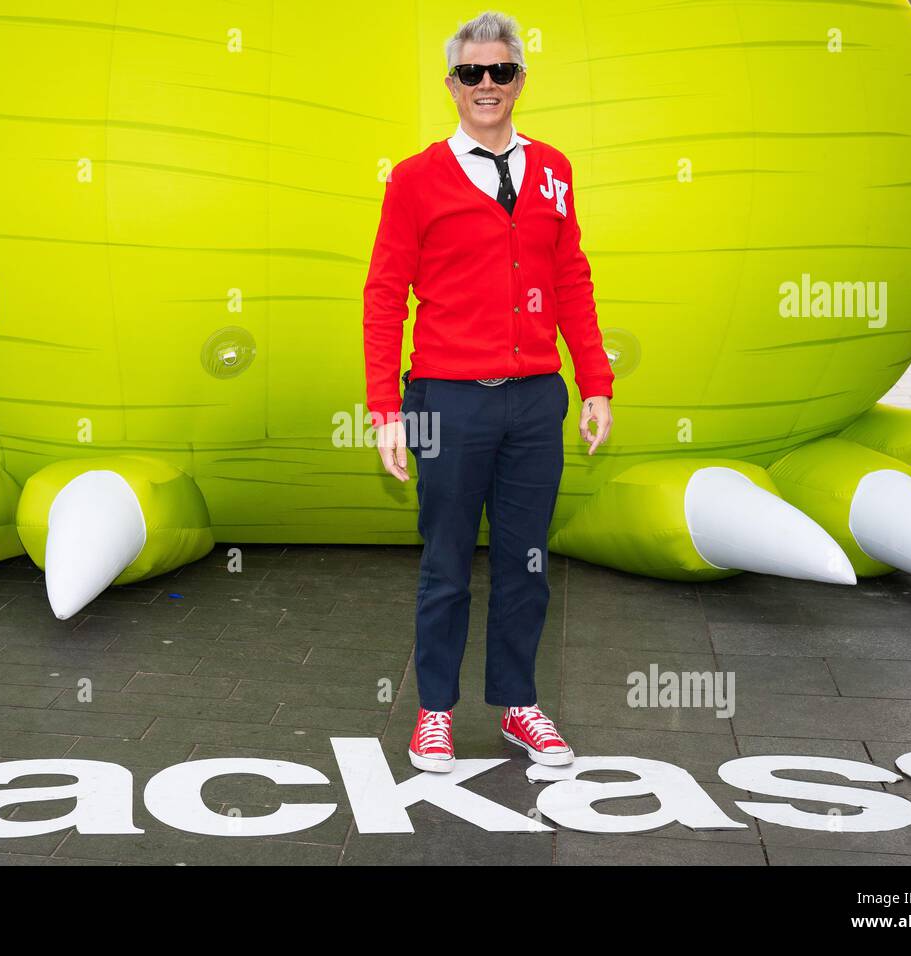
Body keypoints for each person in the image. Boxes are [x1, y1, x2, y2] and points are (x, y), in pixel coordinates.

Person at [362, 11, 614, 773]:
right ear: (451, 84)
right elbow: (385, 292)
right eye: (472, 73)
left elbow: (571, 276)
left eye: (500, 71)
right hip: (447, 399)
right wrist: (384, 409)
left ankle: (518, 705)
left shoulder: (554, 170)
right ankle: (434, 712)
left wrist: (595, 380)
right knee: (445, 562)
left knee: (526, 561)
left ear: (519, 79)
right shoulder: (414, 178)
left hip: (535, 400)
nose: (486, 86)